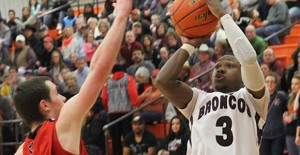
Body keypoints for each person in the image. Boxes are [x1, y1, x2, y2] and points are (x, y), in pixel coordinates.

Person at [13, 0, 132, 154]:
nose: (63, 98)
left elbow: (94, 67)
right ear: (45, 105)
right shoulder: (63, 124)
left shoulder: (21, 151)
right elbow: (99, 70)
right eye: (56, 93)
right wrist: (121, 16)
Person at [156, 0, 269, 154]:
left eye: (229, 66)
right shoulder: (197, 100)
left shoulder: (254, 100)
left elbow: (248, 58)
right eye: (217, 67)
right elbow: (163, 82)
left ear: (244, 75)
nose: (220, 69)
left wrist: (223, 15)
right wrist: (189, 45)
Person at [259, 72, 287, 155]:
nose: (269, 84)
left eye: (272, 82)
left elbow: (288, 109)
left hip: (278, 134)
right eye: (267, 81)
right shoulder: (259, 97)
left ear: (276, 83)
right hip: (263, 135)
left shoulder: (281, 96)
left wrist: (286, 113)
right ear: (264, 82)